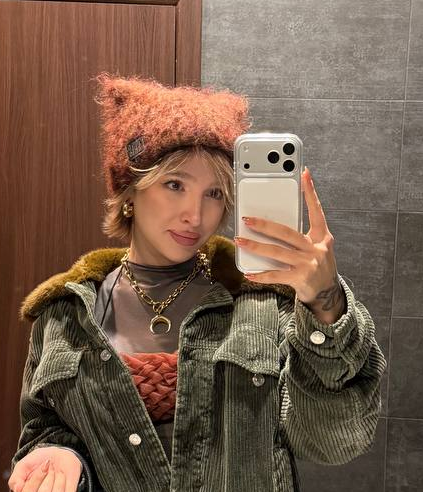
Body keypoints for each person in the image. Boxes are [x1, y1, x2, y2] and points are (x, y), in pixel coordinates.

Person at [9, 73, 386, 492]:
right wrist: (62, 455)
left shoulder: (266, 307)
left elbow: (334, 443)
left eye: (215, 193)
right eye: (175, 185)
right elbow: (44, 431)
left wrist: (325, 302)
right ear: (130, 190)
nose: (196, 215)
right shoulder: (65, 315)